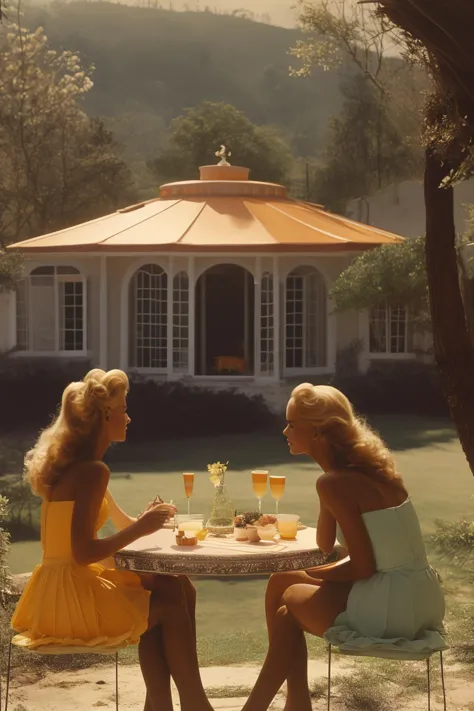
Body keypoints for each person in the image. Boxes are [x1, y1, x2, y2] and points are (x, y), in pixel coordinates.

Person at [11, 368, 213, 711]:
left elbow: (120, 524)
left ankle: (160, 705)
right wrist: (141, 528)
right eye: (123, 409)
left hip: (57, 589)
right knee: (170, 604)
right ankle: (195, 704)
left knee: (177, 584)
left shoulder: (81, 467)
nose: (129, 417)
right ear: (106, 415)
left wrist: (146, 519)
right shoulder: (92, 471)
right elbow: (83, 552)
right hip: (68, 599)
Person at [242, 383, 446, 711]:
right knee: (281, 579)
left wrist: (313, 573)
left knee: (290, 600)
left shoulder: (337, 482)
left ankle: (270, 707)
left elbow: (361, 566)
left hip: (392, 606)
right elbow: (327, 544)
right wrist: (326, 478)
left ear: (319, 432)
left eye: (293, 423)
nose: (285, 430)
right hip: (420, 595)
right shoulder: (367, 475)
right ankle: (295, 704)